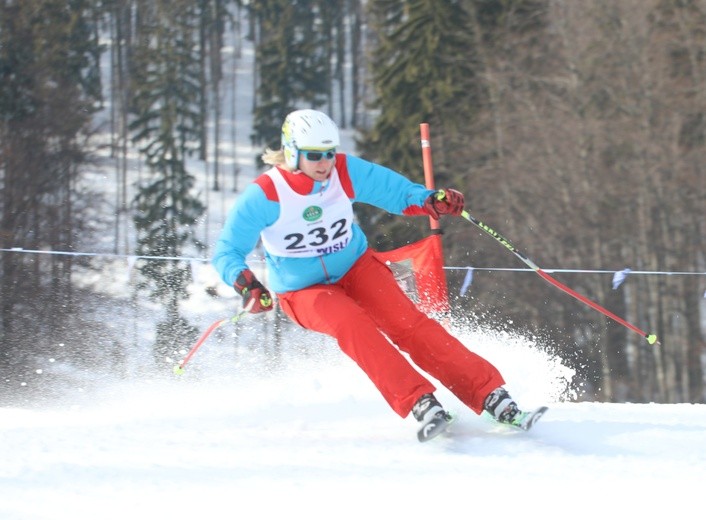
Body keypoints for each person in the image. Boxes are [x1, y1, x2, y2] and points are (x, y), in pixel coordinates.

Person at [213, 109, 546, 442]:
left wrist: (432, 200)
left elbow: (397, 192)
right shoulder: (266, 194)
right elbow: (227, 251)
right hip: (303, 291)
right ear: (291, 152)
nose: (324, 162)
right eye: (314, 155)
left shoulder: (343, 171)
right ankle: (420, 402)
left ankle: (491, 395)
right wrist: (248, 284)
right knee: (352, 325)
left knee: (409, 324)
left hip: (356, 268)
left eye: (329, 153)